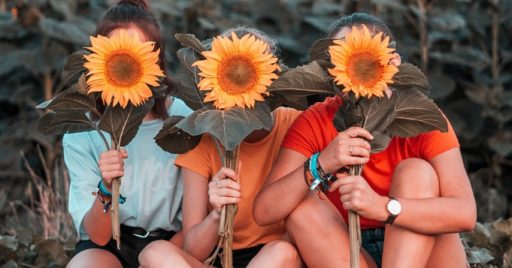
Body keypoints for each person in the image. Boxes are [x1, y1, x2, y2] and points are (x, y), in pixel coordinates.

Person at [253, 13, 476, 268]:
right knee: (301, 203)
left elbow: (465, 214)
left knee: (417, 172)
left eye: (366, 56)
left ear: (393, 61)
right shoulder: (316, 120)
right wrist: (322, 163)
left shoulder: (423, 119)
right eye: (342, 58)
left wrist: (382, 207)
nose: (357, 66)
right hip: (347, 250)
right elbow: (265, 211)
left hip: (424, 249)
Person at [138, 26, 303, 268]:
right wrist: (216, 214)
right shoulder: (203, 137)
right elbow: (192, 249)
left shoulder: (293, 124)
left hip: (273, 257)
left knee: (282, 252)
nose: (239, 79)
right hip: (216, 257)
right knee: (154, 253)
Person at [64, 1, 192, 267]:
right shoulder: (83, 130)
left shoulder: (183, 119)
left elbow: (194, 222)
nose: (126, 63)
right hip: (108, 244)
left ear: (155, 60)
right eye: (117, 54)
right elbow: (98, 236)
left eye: (138, 53)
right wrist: (106, 188)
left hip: (170, 243)